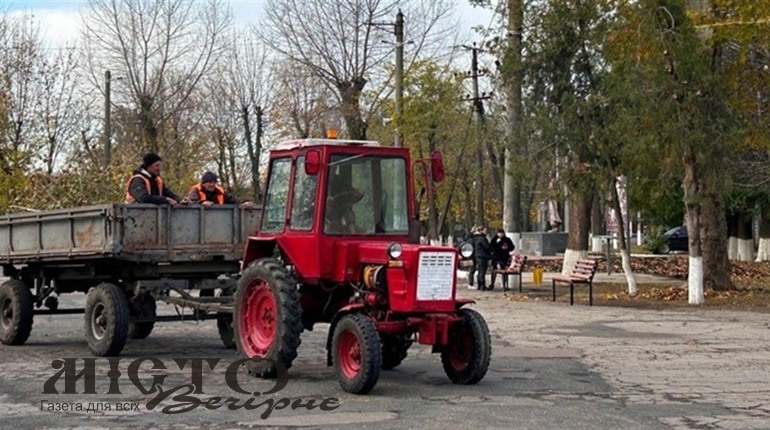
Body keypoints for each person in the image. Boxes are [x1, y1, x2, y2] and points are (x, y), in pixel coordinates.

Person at [188, 171, 254, 208]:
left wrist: (245, 203)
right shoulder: (195, 190)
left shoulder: (220, 191)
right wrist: (202, 203)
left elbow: (233, 200)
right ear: (203, 183)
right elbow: (191, 203)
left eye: (214, 182)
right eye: (210, 182)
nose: (212, 185)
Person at [472, 226, 493, 291]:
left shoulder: (476, 238)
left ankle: (480, 285)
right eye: (485, 231)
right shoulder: (482, 239)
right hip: (482, 256)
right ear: (481, 231)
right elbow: (487, 247)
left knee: (480, 271)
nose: (486, 232)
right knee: (482, 271)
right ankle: (482, 286)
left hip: (478, 256)